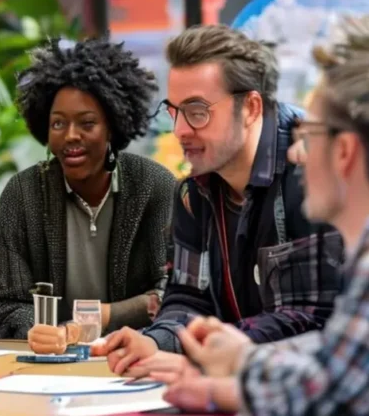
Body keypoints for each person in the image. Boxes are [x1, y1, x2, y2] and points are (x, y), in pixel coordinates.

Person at [159, 15, 369, 416]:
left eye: (307, 136)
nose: (295, 152)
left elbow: (335, 388)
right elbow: (340, 356)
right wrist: (236, 356)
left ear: (345, 152)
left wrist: (230, 376)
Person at [95, 24, 345, 375]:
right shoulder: (193, 192)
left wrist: (203, 353)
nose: (180, 130)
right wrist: (155, 342)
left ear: (251, 108)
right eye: (174, 111)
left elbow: (309, 316)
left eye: (197, 111)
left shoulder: (309, 170)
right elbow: (187, 299)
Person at [0, 37, 178, 352]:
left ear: (112, 127)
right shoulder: (22, 194)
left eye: (87, 123)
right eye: (58, 124)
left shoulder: (153, 185)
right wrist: (39, 332)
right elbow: (8, 303)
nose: (71, 135)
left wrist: (98, 318)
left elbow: (170, 294)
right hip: (46, 362)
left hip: (132, 354)